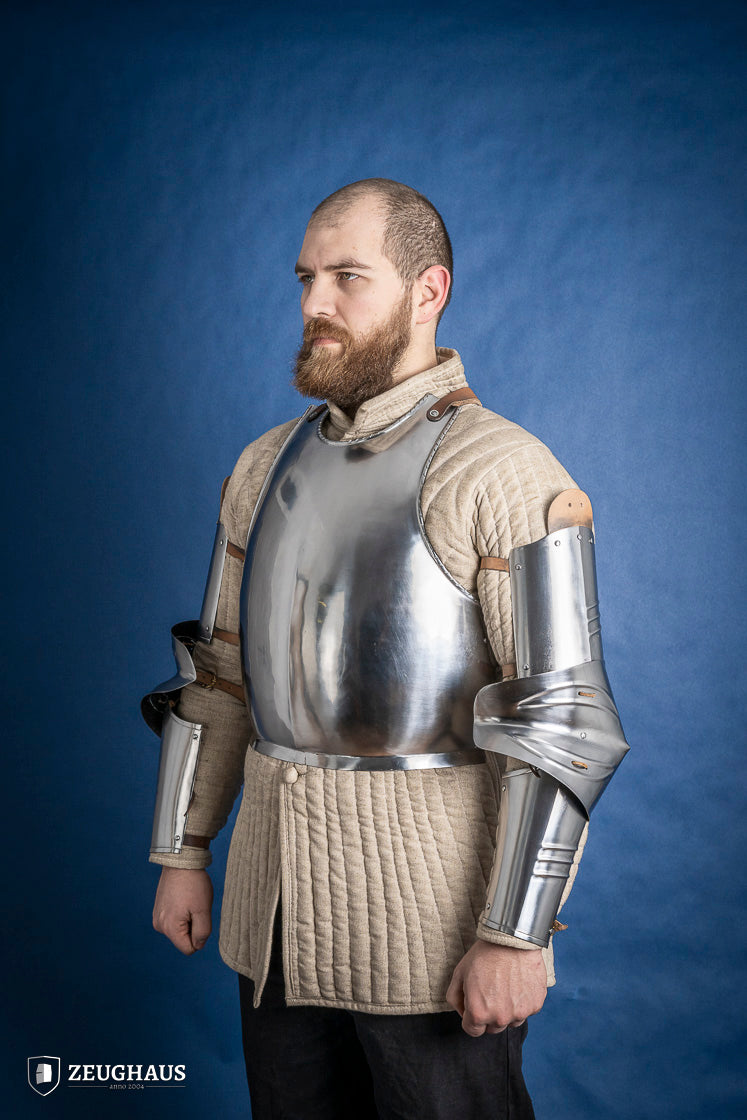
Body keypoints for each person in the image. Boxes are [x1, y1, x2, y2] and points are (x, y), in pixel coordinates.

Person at [144, 178, 628, 1119]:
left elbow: (561, 720)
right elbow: (221, 676)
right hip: (272, 918)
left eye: (347, 277)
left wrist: (515, 935)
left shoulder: (501, 470)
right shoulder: (262, 466)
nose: (313, 304)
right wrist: (182, 849)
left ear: (427, 290)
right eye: (305, 278)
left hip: (433, 937)